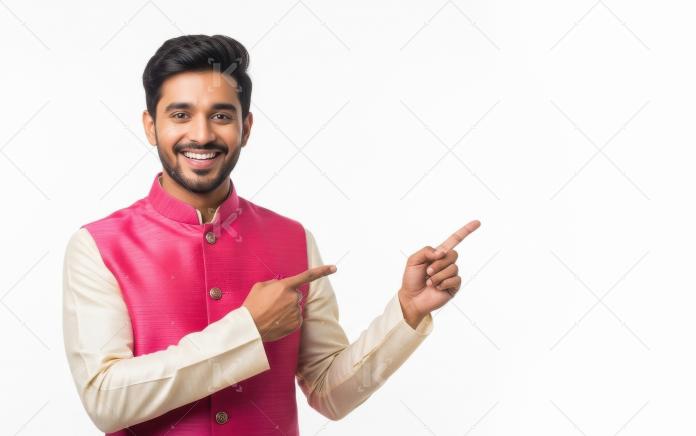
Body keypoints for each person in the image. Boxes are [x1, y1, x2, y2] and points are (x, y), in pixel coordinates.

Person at [62, 34, 480, 435]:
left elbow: (328, 393)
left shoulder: (292, 239)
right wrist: (249, 329)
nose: (202, 134)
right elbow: (105, 400)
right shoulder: (98, 246)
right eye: (181, 115)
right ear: (151, 126)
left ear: (246, 127)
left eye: (221, 116)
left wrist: (406, 312)